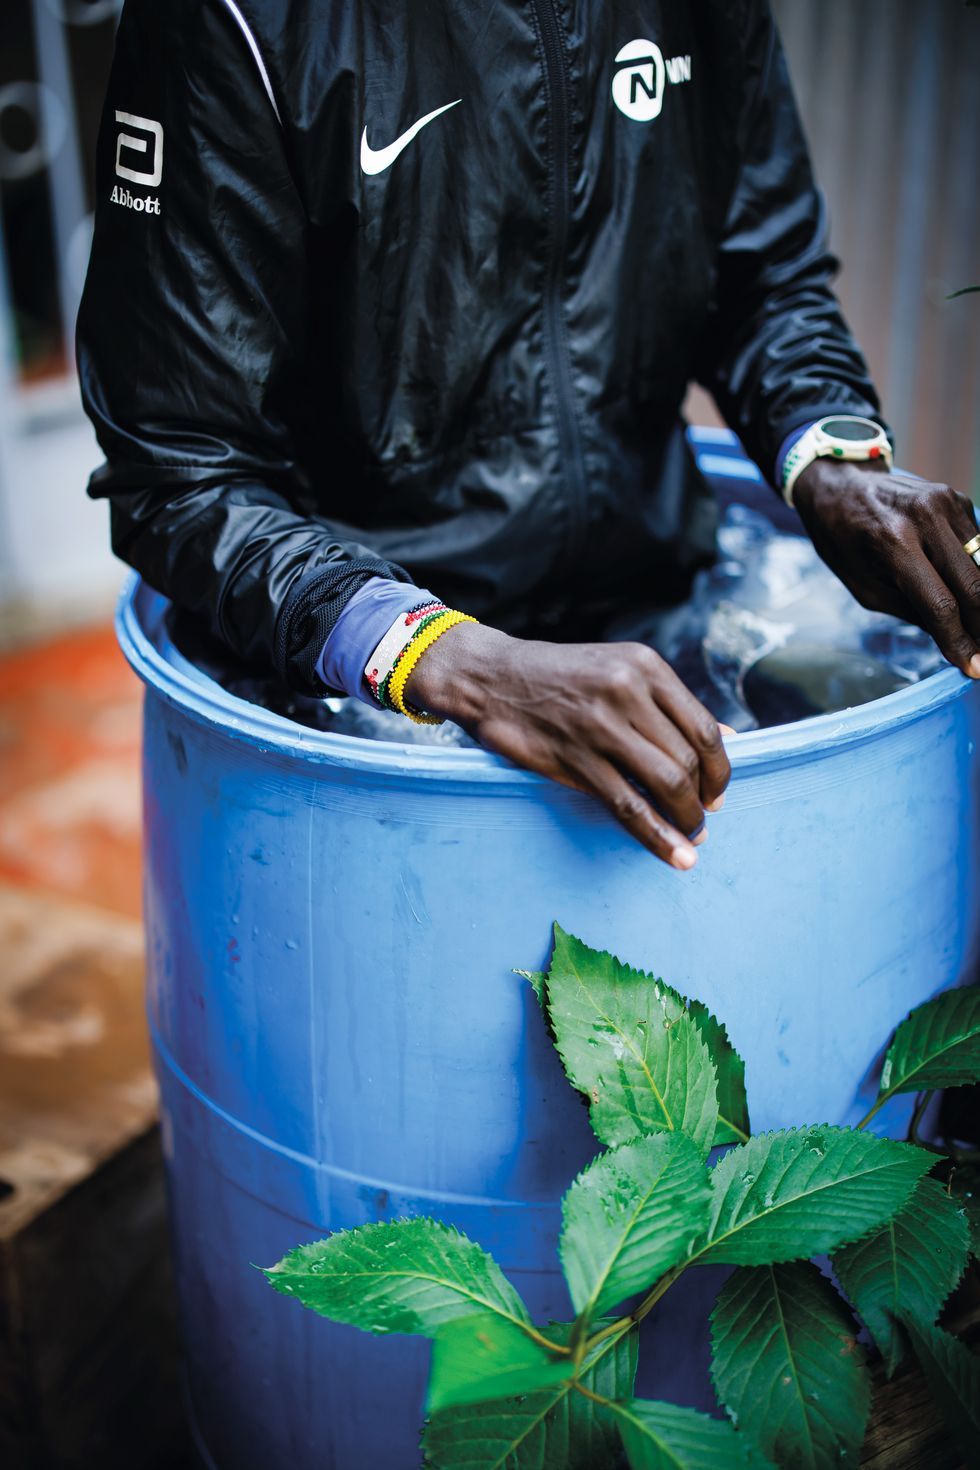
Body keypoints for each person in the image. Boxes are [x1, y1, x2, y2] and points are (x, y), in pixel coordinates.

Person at [78, 0, 980, 871]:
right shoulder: (238, 17)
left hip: (659, 603)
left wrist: (829, 457)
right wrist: (457, 662)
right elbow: (178, 471)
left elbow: (766, 278)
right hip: (356, 691)